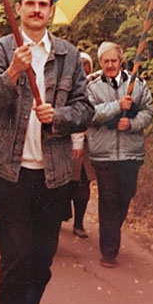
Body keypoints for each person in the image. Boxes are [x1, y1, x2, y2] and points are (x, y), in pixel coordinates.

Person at [0, 0, 94, 304]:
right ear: (17, 8)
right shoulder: (3, 50)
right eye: (29, 3)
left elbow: (85, 110)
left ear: (50, 11)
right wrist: (13, 73)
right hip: (10, 172)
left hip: (53, 175)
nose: (35, 10)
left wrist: (57, 116)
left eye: (42, 4)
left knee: (41, 262)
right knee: (15, 259)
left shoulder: (68, 55)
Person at [86, 42, 153, 268]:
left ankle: (112, 231)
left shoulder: (137, 84)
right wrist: (117, 106)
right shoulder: (92, 87)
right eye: (105, 61)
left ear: (121, 61)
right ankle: (109, 251)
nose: (110, 65)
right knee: (108, 199)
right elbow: (89, 113)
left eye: (113, 60)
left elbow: (148, 111)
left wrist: (132, 123)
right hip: (104, 153)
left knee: (125, 195)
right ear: (100, 63)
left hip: (130, 153)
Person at [65, 52, 97, 238]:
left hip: (88, 145)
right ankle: (61, 215)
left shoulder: (95, 88)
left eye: (87, 70)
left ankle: (79, 223)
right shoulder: (69, 87)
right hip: (68, 142)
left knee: (83, 185)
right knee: (66, 183)